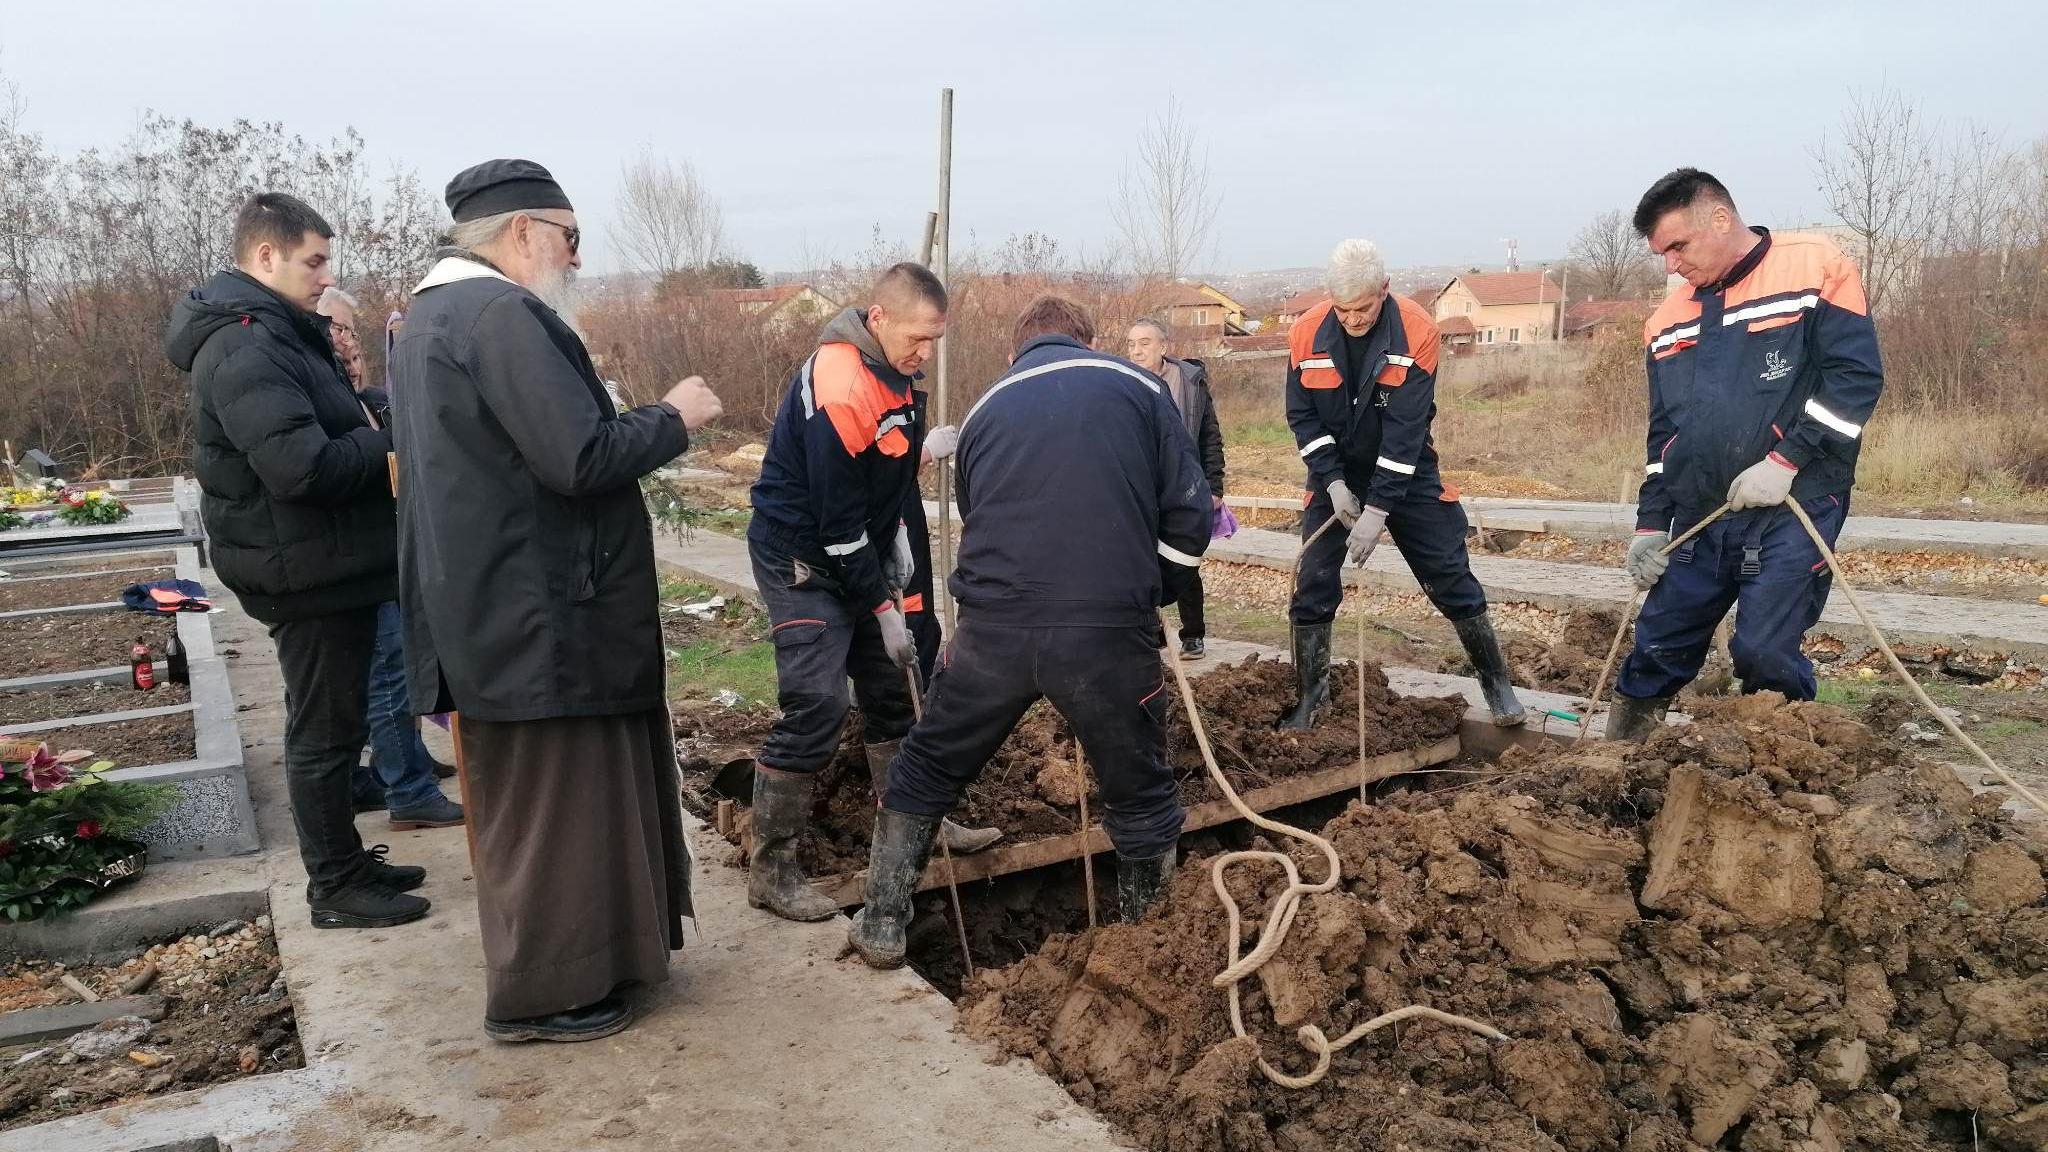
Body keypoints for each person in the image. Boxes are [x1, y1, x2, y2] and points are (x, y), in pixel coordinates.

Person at [390, 159, 724, 1042]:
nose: (576, 259)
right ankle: (548, 993)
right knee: (552, 813)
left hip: (505, 608)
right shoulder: (497, 315)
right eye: (571, 239)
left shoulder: (429, 316)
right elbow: (577, 457)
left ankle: (598, 964)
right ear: (524, 233)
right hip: (541, 619)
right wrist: (673, 415)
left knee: (557, 803)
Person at [849, 294, 1212, 968]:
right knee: (1140, 791)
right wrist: (1150, 592)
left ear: (1016, 352)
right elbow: (1190, 514)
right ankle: (1143, 950)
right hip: (1105, 631)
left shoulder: (986, 408)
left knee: (928, 764)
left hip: (993, 630)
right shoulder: (1138, 385)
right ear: (1087, 341)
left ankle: (881, 923)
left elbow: (977, 510)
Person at [164, 193, 429, 930]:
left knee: (336, 725)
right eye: (314, 261)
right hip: (303, 570)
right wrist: (396, 446)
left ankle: (344, 862)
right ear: (265, 257)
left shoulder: (275, 334)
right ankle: (335, 886)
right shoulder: (246, 345)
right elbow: (301, 468)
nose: (324, 276)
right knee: (324, 731)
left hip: (321, 560)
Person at [743, 264, 998, 924]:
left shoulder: (896, 375)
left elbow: (881, 478)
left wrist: (898, 536)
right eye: (918, 338)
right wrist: (883, 606)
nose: (925, 354)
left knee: (893, 690)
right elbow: (834, 524)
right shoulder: (839, 385)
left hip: (854, 544)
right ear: (878, 319)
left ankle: (918, 823)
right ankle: (771, 867)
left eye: (935, 340)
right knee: (818, 703)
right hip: (801, 557)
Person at [1609, 169, 1883, 738]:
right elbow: (1665, 434)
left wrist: (1785, 462)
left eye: (1678, 246)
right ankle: (1617, 763)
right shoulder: (1666, 320)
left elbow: (1855, 381)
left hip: (1795, 505)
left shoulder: (1814, 266)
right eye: (1662, 253)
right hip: (1703, 512)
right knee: (1657, 642)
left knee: (1763, 650)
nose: (1671, 265)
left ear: (1719, 219)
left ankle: (1783, 772)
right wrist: (1650, 525)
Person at [1282, 239, 1525, 729]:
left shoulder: (1417, 330)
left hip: (1406, 470)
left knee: (1448, 573)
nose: (1353, 319)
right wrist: (1330, 481)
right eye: (1343, 309)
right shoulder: (1306, 334)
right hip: (1335, 471)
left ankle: (1497, 686)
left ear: (1384, 289)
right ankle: (1312, 697)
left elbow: (1406, 431)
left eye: (1364, 308)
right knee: (1312, 582)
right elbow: (1302, 417)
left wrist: (1378, 510)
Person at [316, 287, 463, 829]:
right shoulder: (324, 409)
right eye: (343, 350)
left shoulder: (368, 400)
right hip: (360, 562)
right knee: (387, 677)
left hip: (380, 556)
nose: (352, 361)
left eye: (356, 350)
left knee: (391, 671)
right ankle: (408, 790)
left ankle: (402, 765)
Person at [1125, 318, 1225, 660]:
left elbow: (1209, 436)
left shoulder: (1190, 382)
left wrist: (1214, 486)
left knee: (1185, 558)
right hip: (1141, 487)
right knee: (1141, 559)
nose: (1137, 351)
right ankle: (1152, 631)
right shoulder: (1123, 382)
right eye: (1132, 344)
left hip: (1183, 486)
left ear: (1163, 347)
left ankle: (1193, 634)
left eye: (1145, 343)